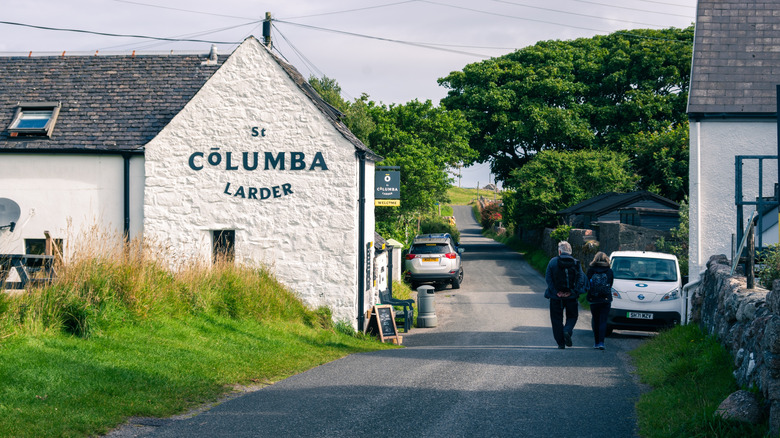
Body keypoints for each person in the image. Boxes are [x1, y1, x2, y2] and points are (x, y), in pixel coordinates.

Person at [544, 241, 585, 349]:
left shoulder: (552, 262)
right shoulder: (576, 263)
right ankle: (567, 330)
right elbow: (581, 279)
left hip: (556, 297)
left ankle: (561, 343)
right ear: (570, 251)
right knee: (572, 316)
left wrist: (555, 292)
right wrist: (572, 291)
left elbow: (548, 278)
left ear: (559, 251)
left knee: (556, 319)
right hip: (571, 296)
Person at [586, 251, 614, 350]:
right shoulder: (609, 271)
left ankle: (596, 342)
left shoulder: (591, 270)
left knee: (595, 319)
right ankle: (601, 342)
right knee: (603, 321)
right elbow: (610, 285)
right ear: (606, 259)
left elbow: (587, 284)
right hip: (605, 299)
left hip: (594, 299)